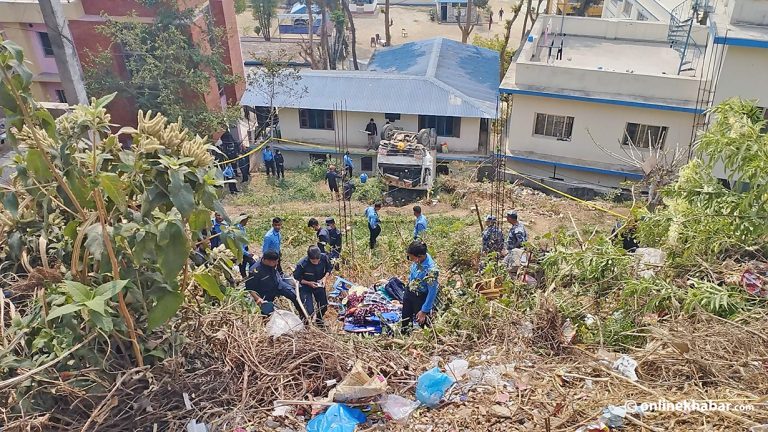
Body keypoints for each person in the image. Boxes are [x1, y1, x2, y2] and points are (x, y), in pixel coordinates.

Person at [245, 250, 306, 319]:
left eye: (277, 261)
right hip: (265, 293)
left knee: (294, 296)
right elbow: (250, 289)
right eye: (275, 262)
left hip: (278, 284)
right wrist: (259, 299)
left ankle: (304, 317)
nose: (277, 263)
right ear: (267, 261)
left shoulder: (274, 262)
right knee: (267, 313)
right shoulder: (255, 271)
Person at [402, 240, 439, 334]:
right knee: (405, 321)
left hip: (420, 297)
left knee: (424, 325)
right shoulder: (419, 259)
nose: (411, 260)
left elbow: (432, 292)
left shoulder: (431, 270)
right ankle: (404, 336)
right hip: (410, 291)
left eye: (411, 258)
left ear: (419, 257)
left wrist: (424, 310)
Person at [293, 246, 333, 326]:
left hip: (319, 284)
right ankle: (305, 322)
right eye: (313, 261)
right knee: (308, 310)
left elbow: (329, 268)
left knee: (323, 306)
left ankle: (319, 320)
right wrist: (308, 283)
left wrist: (324, 278)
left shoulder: (324, 257)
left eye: (317, 260)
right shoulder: (302, 264)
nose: (316, 263)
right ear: (309, 258)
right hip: (305, 286)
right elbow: (296, 277)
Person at [236, 214, 256, 278]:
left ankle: (245, 277)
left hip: (244, 248)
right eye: (246, 220)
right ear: (243, 220)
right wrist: (247, 253)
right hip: (241, 250)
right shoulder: (237, 229)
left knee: (243, 264)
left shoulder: (243, 228)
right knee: (252, 263)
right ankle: (249, 276)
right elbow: (238, 244)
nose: (247, 222)